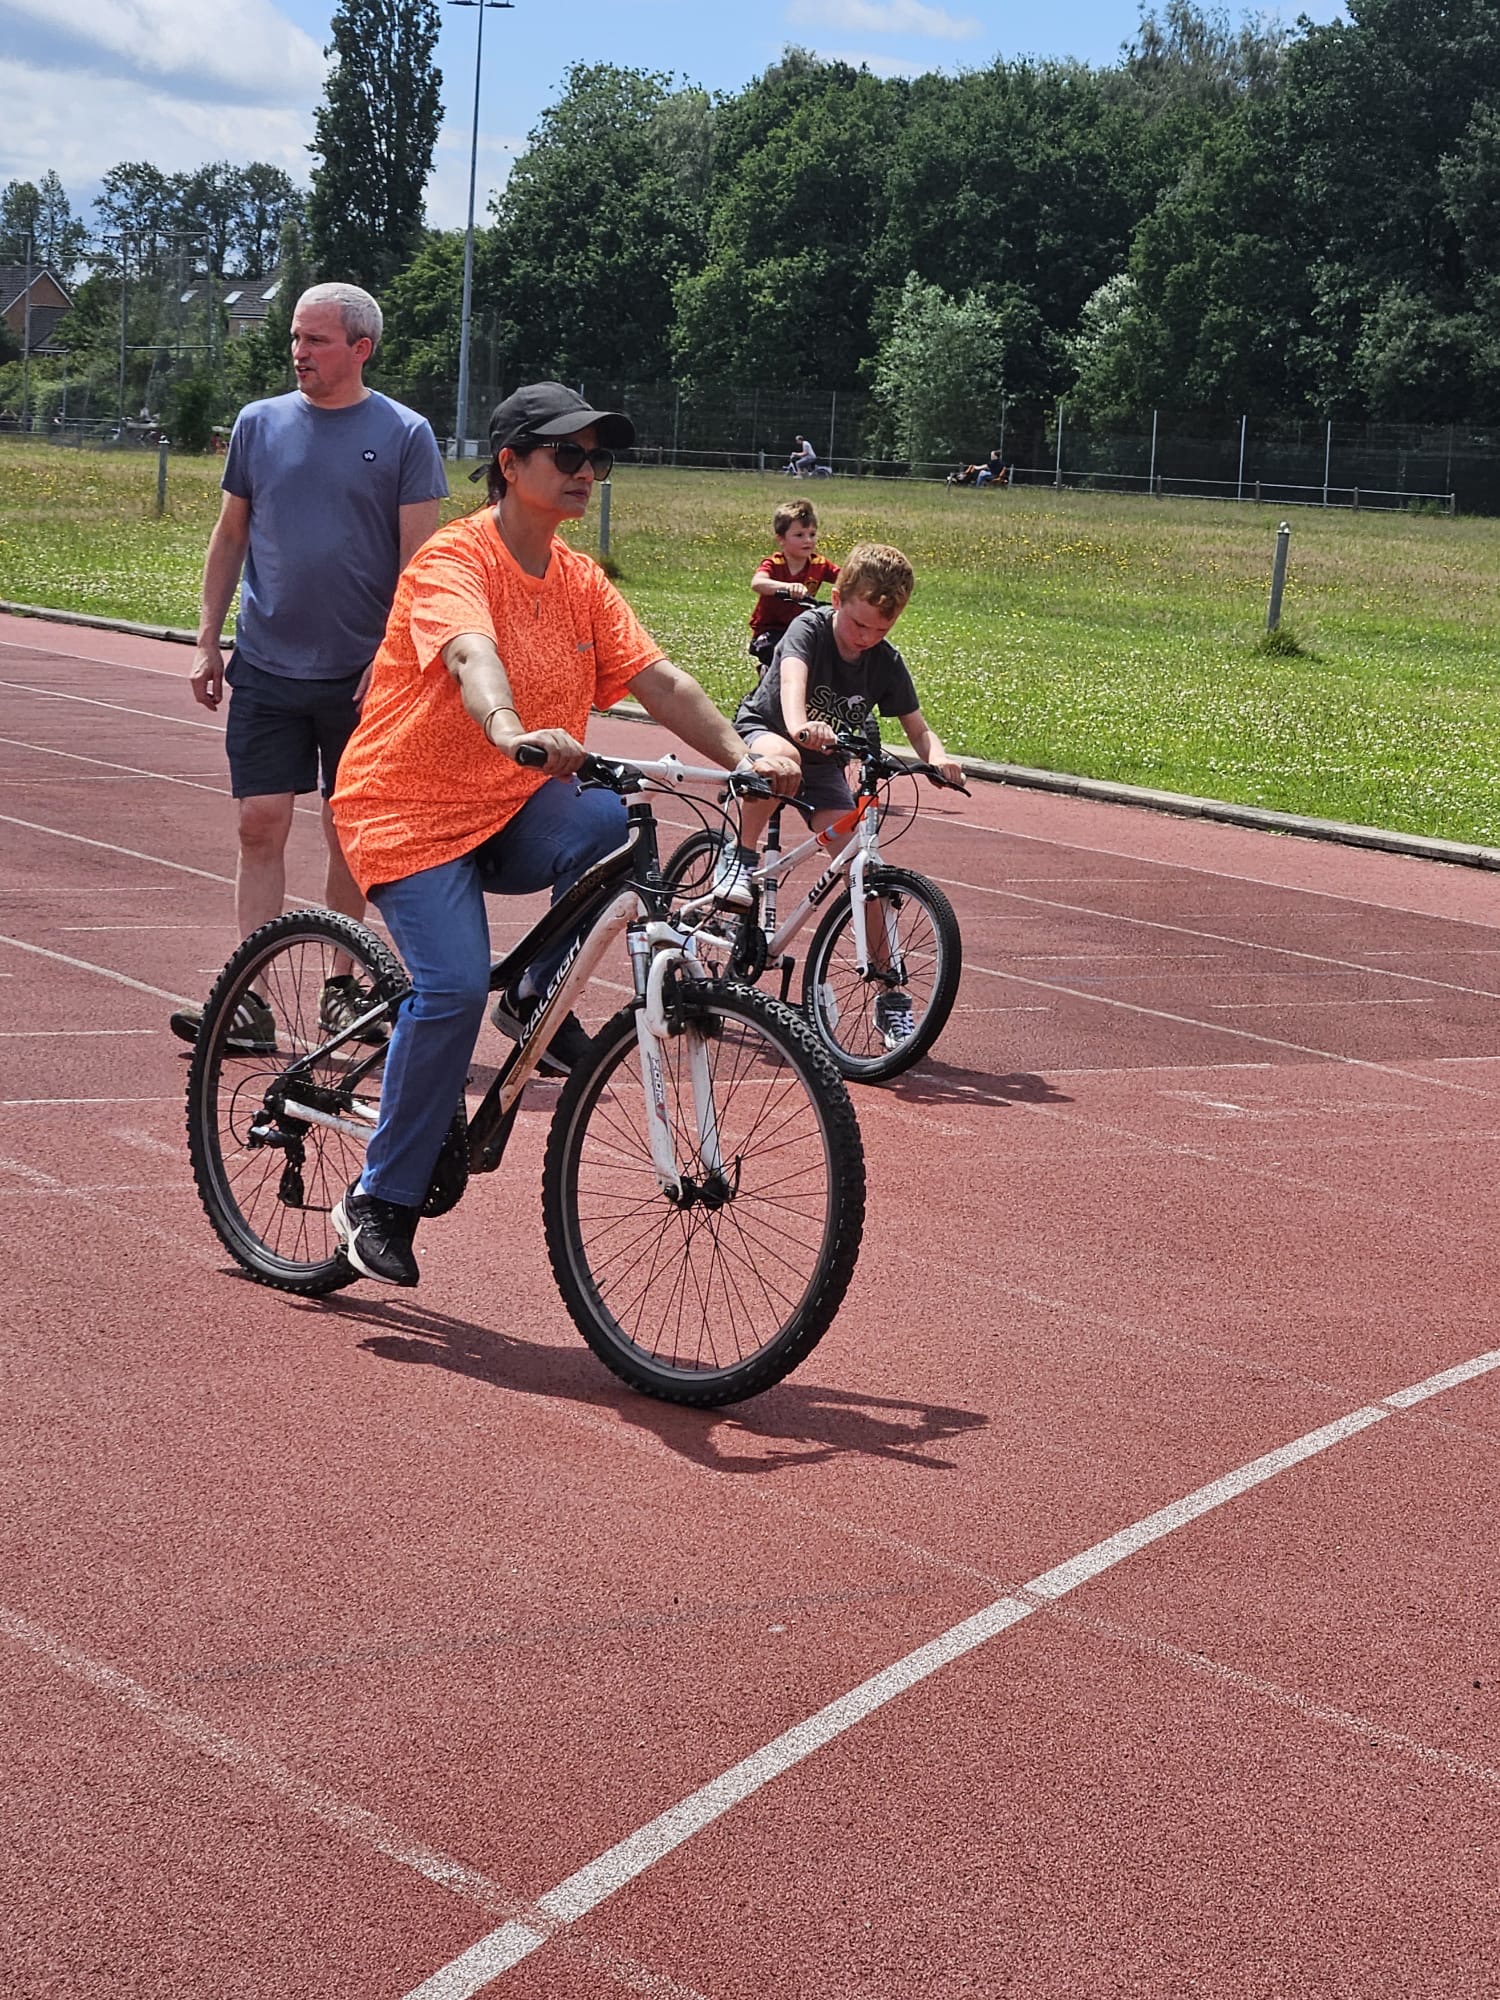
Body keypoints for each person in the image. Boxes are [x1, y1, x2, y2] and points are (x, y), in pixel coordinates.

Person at [325, 382, 801, 1289]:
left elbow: (659, 680)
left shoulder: (579, 579)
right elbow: (471, 652)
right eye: (568, 454)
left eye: (598, 457)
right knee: (449, 990)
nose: (587, 471)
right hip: (408, 808)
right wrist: (508, 728)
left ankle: (535, 996)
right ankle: (378, 1200)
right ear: (510, 465)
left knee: (610, 822)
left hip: (510, 807)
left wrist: (745, 755)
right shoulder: (454, 559)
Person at [169, 282, 449, 1049]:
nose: (299, 352)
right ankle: (249, 1001)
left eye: (316, 340)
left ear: (361, 348)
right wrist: (206, 638)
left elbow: (420, 563)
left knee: (346, 830)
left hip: (361, 675)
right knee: (258, 822)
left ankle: (341, 986)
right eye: (295, 337)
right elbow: (230, 536)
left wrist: (393, 656)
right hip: (266, 663)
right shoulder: (258, 424)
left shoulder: (405, 433)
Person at [712, 545, 964, 1028]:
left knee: (863, 876)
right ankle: (738, 857)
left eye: (881, 630)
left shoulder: (884, 662)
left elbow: (918, 727)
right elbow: (792, 685)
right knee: (782, 761)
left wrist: (938, 758)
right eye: (859, 624)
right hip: (770, 732)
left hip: (824, 763)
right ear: (837, 598)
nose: (866, 638)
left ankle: (891, 995)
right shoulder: (808, 629)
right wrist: (801, 726)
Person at [747, 498, 840, 673]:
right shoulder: (775, 563)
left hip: (802, 627)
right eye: (799, 535)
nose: (808, 540)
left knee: (824, 654)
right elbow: (757, 583)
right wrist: (787, 587)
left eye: (812, 534)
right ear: (781, 539)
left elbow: (846, 578)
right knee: (785, 656)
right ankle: (768, 674)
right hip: (770, 631)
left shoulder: (819, 564)